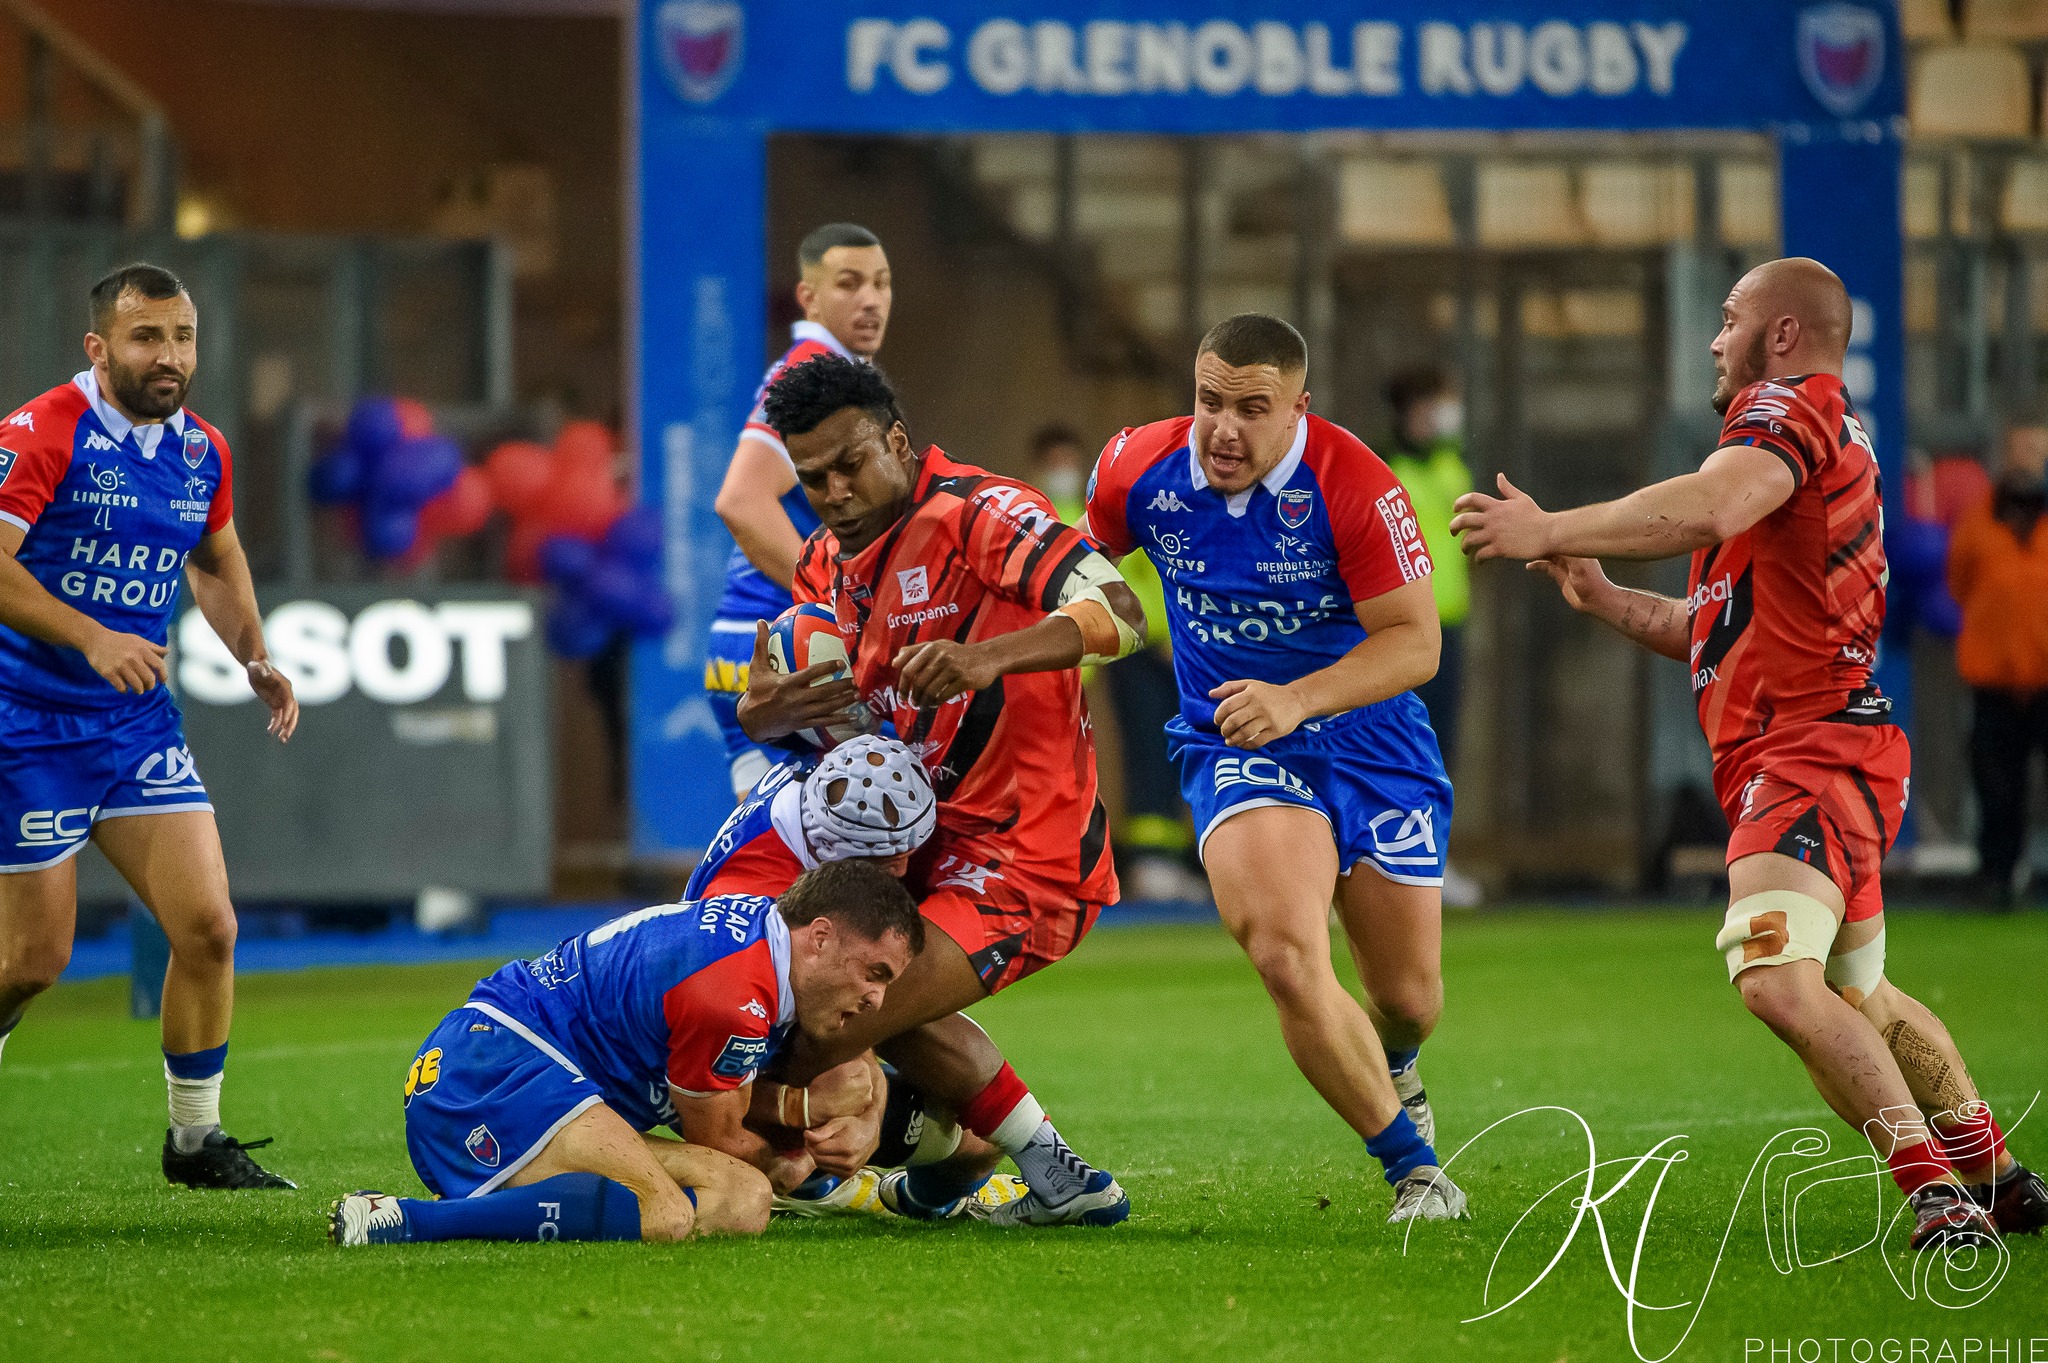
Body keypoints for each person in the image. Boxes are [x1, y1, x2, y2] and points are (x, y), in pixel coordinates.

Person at [1451, 256, 2048, 1249]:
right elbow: (1711, 623)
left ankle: (1935, 1193)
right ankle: (1998, 1175)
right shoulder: (1806, 452)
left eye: (1727, 319)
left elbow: (1706, 505)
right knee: (1859, 991)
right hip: (1828, 749)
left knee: (1771, 973)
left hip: (1807, 752)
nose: (1712, 339)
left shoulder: (1788, 409)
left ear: (1779, 334)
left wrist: (1543, 525)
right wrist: (1603, 597)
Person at [735, 353, 1149, 1227]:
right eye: (813, 478)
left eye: (852, 463)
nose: (836, 490)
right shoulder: (823, 565)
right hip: (921, 849)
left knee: (826, 1023)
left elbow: (1122, 612)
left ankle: (890, 1154)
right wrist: (765, 713)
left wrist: (986, 656)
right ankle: (1001, 1169)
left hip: (1028, 855)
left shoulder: (979, 515)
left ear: (897, 438)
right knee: (792, 986)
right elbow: (837, 719)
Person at [1082, 314, 1465, 1224]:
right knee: (1288, 957)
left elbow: (1416, 643)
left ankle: (1397, 1060)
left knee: (1407, 998)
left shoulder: (1356, 484)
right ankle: (1415, 1169)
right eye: (1210, 401)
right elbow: (1081, 563)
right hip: (1234, 742)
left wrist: (1299, 697)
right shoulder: (1138, 466)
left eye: (1253, 409)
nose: (1224, 429)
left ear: (1300, 407)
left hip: (1373, 747)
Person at [0, 263, 298, 1190]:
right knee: (32, 961)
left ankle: (195, 1140)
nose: (169, 357)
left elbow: (216, 556)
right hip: (25, 725)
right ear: (99, 347)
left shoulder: (202, 449)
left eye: (182, 338)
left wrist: (253, 653)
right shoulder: (40, 431)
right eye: (146, 339)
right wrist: (92, 635)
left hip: (132, 725)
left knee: (208, 924)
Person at [327, 861, 921, 1245]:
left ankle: (517, 1201)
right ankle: (404, 1221)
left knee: (740, 1201)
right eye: (874, 973)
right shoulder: (734, 998)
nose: (876, 999)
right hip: (492, 1070)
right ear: (818, 937)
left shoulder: (764, 952)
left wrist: (810, 1117)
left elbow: (739, 1130)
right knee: (667, 1212)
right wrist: (799, 1123)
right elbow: (723, 1136)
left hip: (520, 1078)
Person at [686, 735, 1025, 1220]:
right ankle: (801, 1179)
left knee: (971, 1130)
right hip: (719, 1066)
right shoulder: (759, 903)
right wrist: (837, 1114)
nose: (903, 867)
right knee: (878, 1098)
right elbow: (825, 1028)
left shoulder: (815, 791)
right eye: (886, 859)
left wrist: (869, 1108)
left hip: (743, 1037)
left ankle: (845, 1178)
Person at [704, 224, 893, 800]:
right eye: (849, 284)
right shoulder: (810, 374)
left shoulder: (833, 372)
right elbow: (741, 500)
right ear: (808, 297)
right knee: (859, 847)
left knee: (787, 858)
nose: (871, 300)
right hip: (789, 647)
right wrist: (837, 605)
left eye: (883, 285)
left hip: (751, 645)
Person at [1027, 424, 1203, 902]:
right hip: (1051, 666)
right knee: (1044, 766)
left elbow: (1149, 584)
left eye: (1070, 461)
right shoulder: (1033, 520)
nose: (1064, 471)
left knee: (1155, 747)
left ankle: (1152, 861)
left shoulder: (1101, 518)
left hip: (1128, 650)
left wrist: (1168, 639)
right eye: (1055, 463)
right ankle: (1052, 866)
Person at [1383, 366, 1482, 909]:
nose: (1445, 417)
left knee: (1438, 749)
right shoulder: (1387, 472)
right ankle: (1371, 863)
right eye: (1434, 406)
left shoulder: (1450, 466)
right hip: (1397, 630)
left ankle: (1430, 861)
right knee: (1392, 746)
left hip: (1449, 629)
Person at [1947, 419, 2048, 909]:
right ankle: (1996, 878)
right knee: (1996, 785)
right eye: (2023, 447)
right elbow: (1960, 583)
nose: (2030, 459)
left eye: (2038, 448)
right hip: (1993, 680)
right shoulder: (1979, 519)